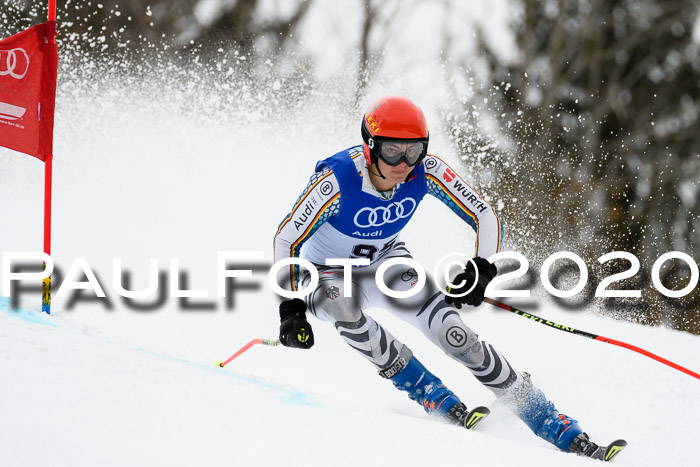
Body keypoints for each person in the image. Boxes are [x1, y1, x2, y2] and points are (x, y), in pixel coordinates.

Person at [272, 95, 621, 461]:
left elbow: (484, 214)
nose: (403, 165)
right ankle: (427, 391)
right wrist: (290, 307)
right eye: (392, 151)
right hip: (327, 274)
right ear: (370, 146)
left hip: (386, 264)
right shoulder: (337, 180)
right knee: (343, 308)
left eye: (414, 151)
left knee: (456, 336)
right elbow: (286, 238)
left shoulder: (428, 171)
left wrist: (481, 270)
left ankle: (547, 418)